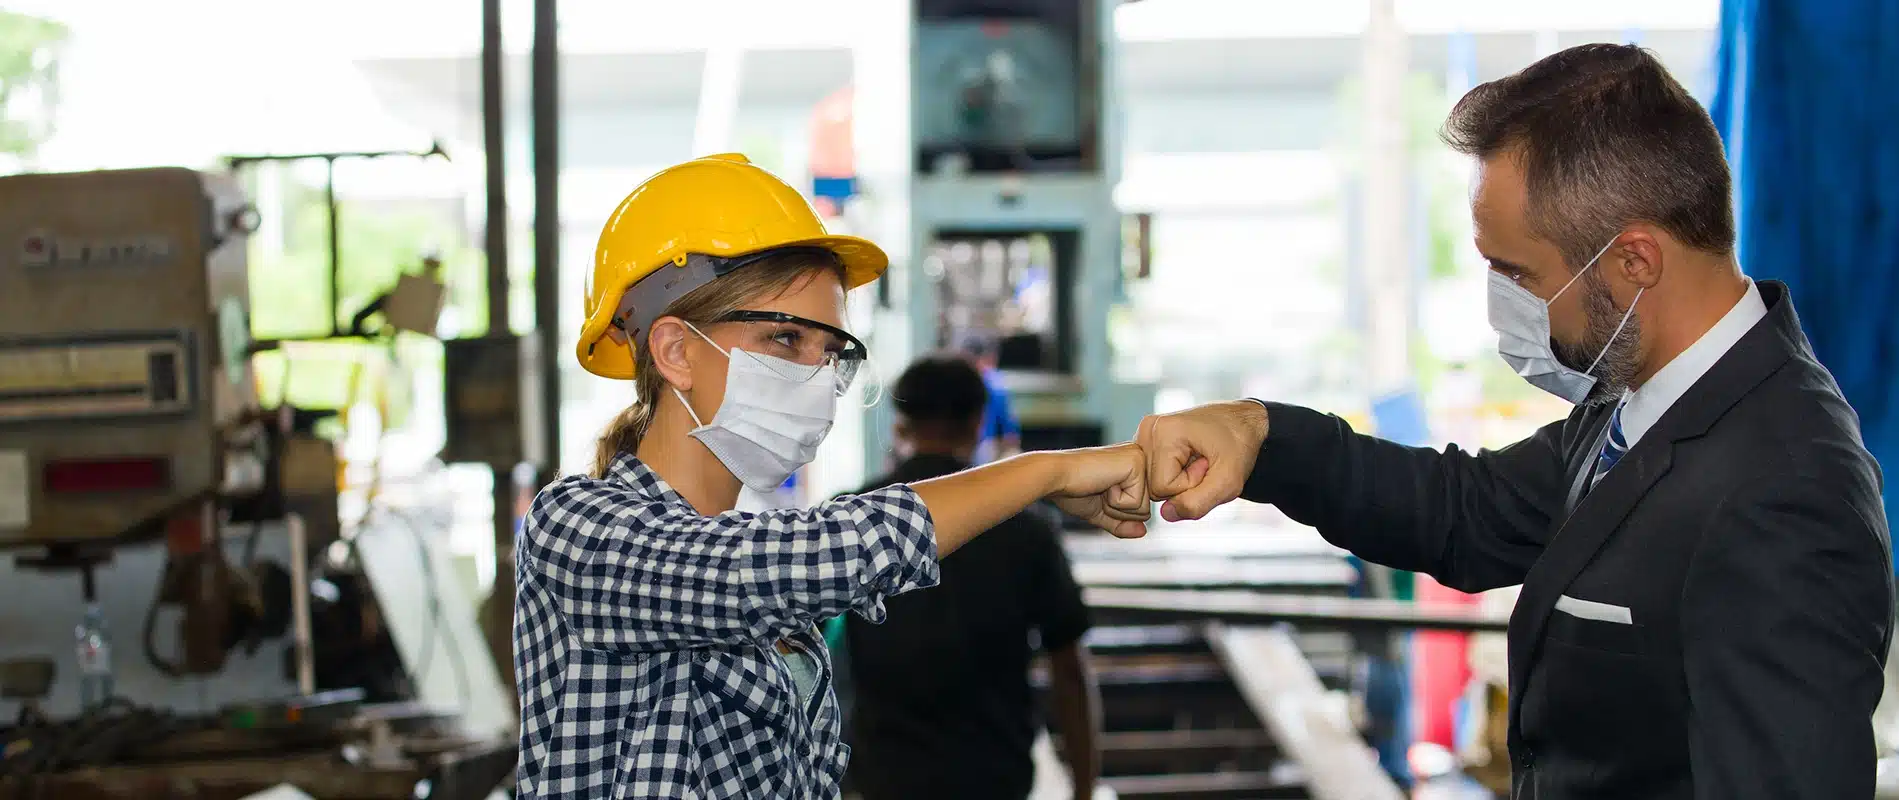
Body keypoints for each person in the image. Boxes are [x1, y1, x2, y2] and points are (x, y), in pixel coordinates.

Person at [1133, 45, 1893, 799]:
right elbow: (1465, 512)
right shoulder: (1643, 403)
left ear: (1633, 260)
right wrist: (1259, 436)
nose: (1507, 306)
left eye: (1520, 275)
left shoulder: (1783, 494)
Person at [511, 153, 1149, 800]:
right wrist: (1047, 472)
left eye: (831, 354)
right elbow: (822, 555)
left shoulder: (751, 558)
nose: (818, 380)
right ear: (676, 351)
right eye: (786, 340)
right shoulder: (578, 524)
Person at [838, 354, 1101, 800]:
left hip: (884, 776)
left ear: (902, 423)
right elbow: (1070, 670)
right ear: (979, 422)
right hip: (994, 776)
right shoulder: (1025, 529)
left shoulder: (850, 518)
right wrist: (1084, 789)